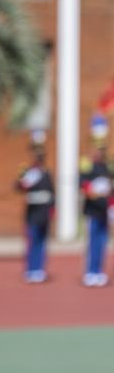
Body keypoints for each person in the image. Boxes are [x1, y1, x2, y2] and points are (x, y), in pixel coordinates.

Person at [14, 129, 54, 284]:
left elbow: (52, 193)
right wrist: (24, 182)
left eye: (41, 154)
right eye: (36, 153)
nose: (38, 156)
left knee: (43, 242)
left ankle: (39, 269)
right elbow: (17, 187)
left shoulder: (46, 172)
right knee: (32, 240)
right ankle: (31, 269)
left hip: (44, 212)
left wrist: (52, 211)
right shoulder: (26, 170)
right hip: (32, 212)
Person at [80, 115, 112, 287]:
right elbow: (82, 183)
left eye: (102, 149)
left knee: (102, 243)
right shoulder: (87, 164)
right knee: (92, 242)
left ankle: (99, 272)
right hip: (92, 210)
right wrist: (92, 191)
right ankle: (90, 272)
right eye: (97, 149)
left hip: (104, 210)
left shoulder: (107, 166)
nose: (99, 152)